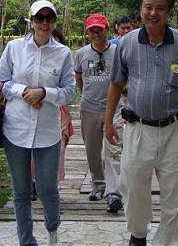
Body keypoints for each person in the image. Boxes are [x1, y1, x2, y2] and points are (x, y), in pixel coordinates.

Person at [105, 0, 178, 246]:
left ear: (169, 12)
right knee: (133, 187)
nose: (153, 13)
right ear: (141, 9)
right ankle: (138, 235)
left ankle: (167, 241)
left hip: (174, 130)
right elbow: (116, 83)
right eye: (148, 7)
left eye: (160, 8)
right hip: (138, 128)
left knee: (173, 194)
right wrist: (108, 121)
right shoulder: (127, 43)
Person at [0, 0, 76, 246]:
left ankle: (53, 231)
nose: (45, 23)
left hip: (47, 132)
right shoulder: (14, 48)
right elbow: (0, 83)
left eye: (50, 18)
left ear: (55, 21)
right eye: (39, 18)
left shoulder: (63, 53)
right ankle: (26, 241)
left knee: (48, 189)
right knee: (21, 192)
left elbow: (70, 91)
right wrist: (24, 92)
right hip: (15, 129)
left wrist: (44, 93)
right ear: (31, 21)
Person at [74, 13, 124, 213]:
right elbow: (78, 77)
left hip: (116, 108)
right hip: (89, 108)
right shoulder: (81, 54)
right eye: (91, 30)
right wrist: (86, 93)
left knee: (114, 149)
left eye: (99, 29)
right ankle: (98, 185)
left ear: (107, 30)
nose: (95, 33)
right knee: (92, 150)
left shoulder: (118, 51)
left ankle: (114, 193)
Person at [30, 30, 75, 201]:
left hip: (58, 110)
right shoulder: (26, 56)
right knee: (32, 149)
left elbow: (69, 89)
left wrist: (45, 94)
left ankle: (51, 184)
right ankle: (33, 182)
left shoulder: (64, 57)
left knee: (58, 148)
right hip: (31, 109)